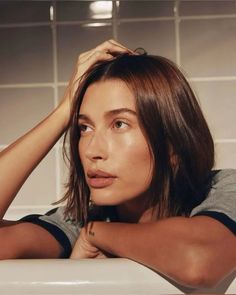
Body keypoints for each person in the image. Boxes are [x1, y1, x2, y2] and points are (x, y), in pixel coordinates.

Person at [0, 40, 235, 289]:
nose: (92, 150)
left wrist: (96, 233)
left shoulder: (222, 188)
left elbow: (197, 258)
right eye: (84, 127)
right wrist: (63, 111)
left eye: (119, 124)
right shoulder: (77, 220)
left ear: (172, 144)